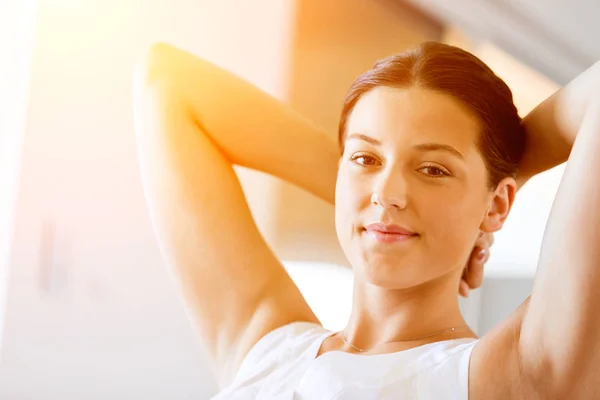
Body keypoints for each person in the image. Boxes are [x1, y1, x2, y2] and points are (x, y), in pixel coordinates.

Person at [133, 40, 600, 399]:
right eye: (365, 158)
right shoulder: (268, 350)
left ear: (500, 205)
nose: (388, 194)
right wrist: (365, 196)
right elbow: (166, 79)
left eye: (433, 169)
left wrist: (502, 174)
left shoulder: (508, 376)